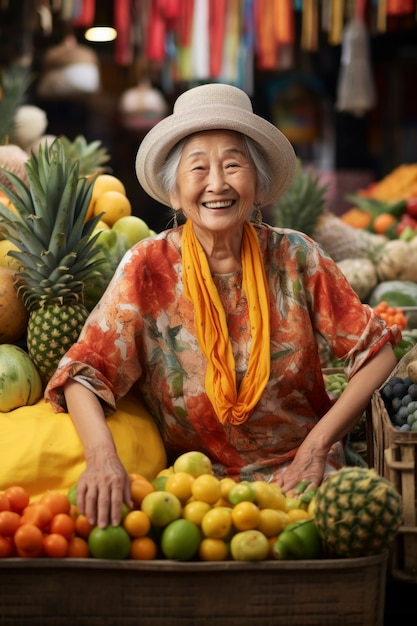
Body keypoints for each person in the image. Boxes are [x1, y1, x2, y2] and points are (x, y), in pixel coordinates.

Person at [45, 83, 400, 528]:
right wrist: (102, 459)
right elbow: (82, 375)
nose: (217, 183)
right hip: (191, 490)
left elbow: (377, 353)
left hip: (304, 475)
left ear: (258, 182)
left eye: (233, 164)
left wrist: (317, 446)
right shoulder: (148, 266)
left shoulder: (297, 256)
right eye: (198, 168)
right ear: (175, 192)